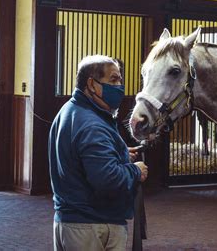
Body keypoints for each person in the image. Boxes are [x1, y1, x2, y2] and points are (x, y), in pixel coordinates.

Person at [49, 55, 148, 251]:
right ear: (92, 84)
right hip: (94, 225)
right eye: (113, 79)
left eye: (120, 79)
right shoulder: (93, 125)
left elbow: (79, 156)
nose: (120, 86)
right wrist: (136, 171)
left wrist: (119, 153)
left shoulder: (69, 111)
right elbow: (107, 180)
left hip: (70, 222)